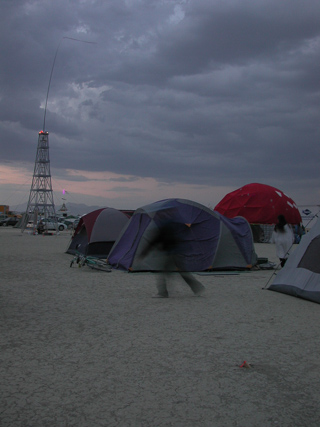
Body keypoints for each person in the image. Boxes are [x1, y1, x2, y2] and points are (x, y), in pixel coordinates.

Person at [140, 220, 205, 298]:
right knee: (182, 271)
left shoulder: (162, 227)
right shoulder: (172, 223)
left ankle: (162, 292)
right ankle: (197, 287)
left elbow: (155, 241)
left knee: (163, 272)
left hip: (170, 253)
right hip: (176, 251)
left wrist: (143, 253)